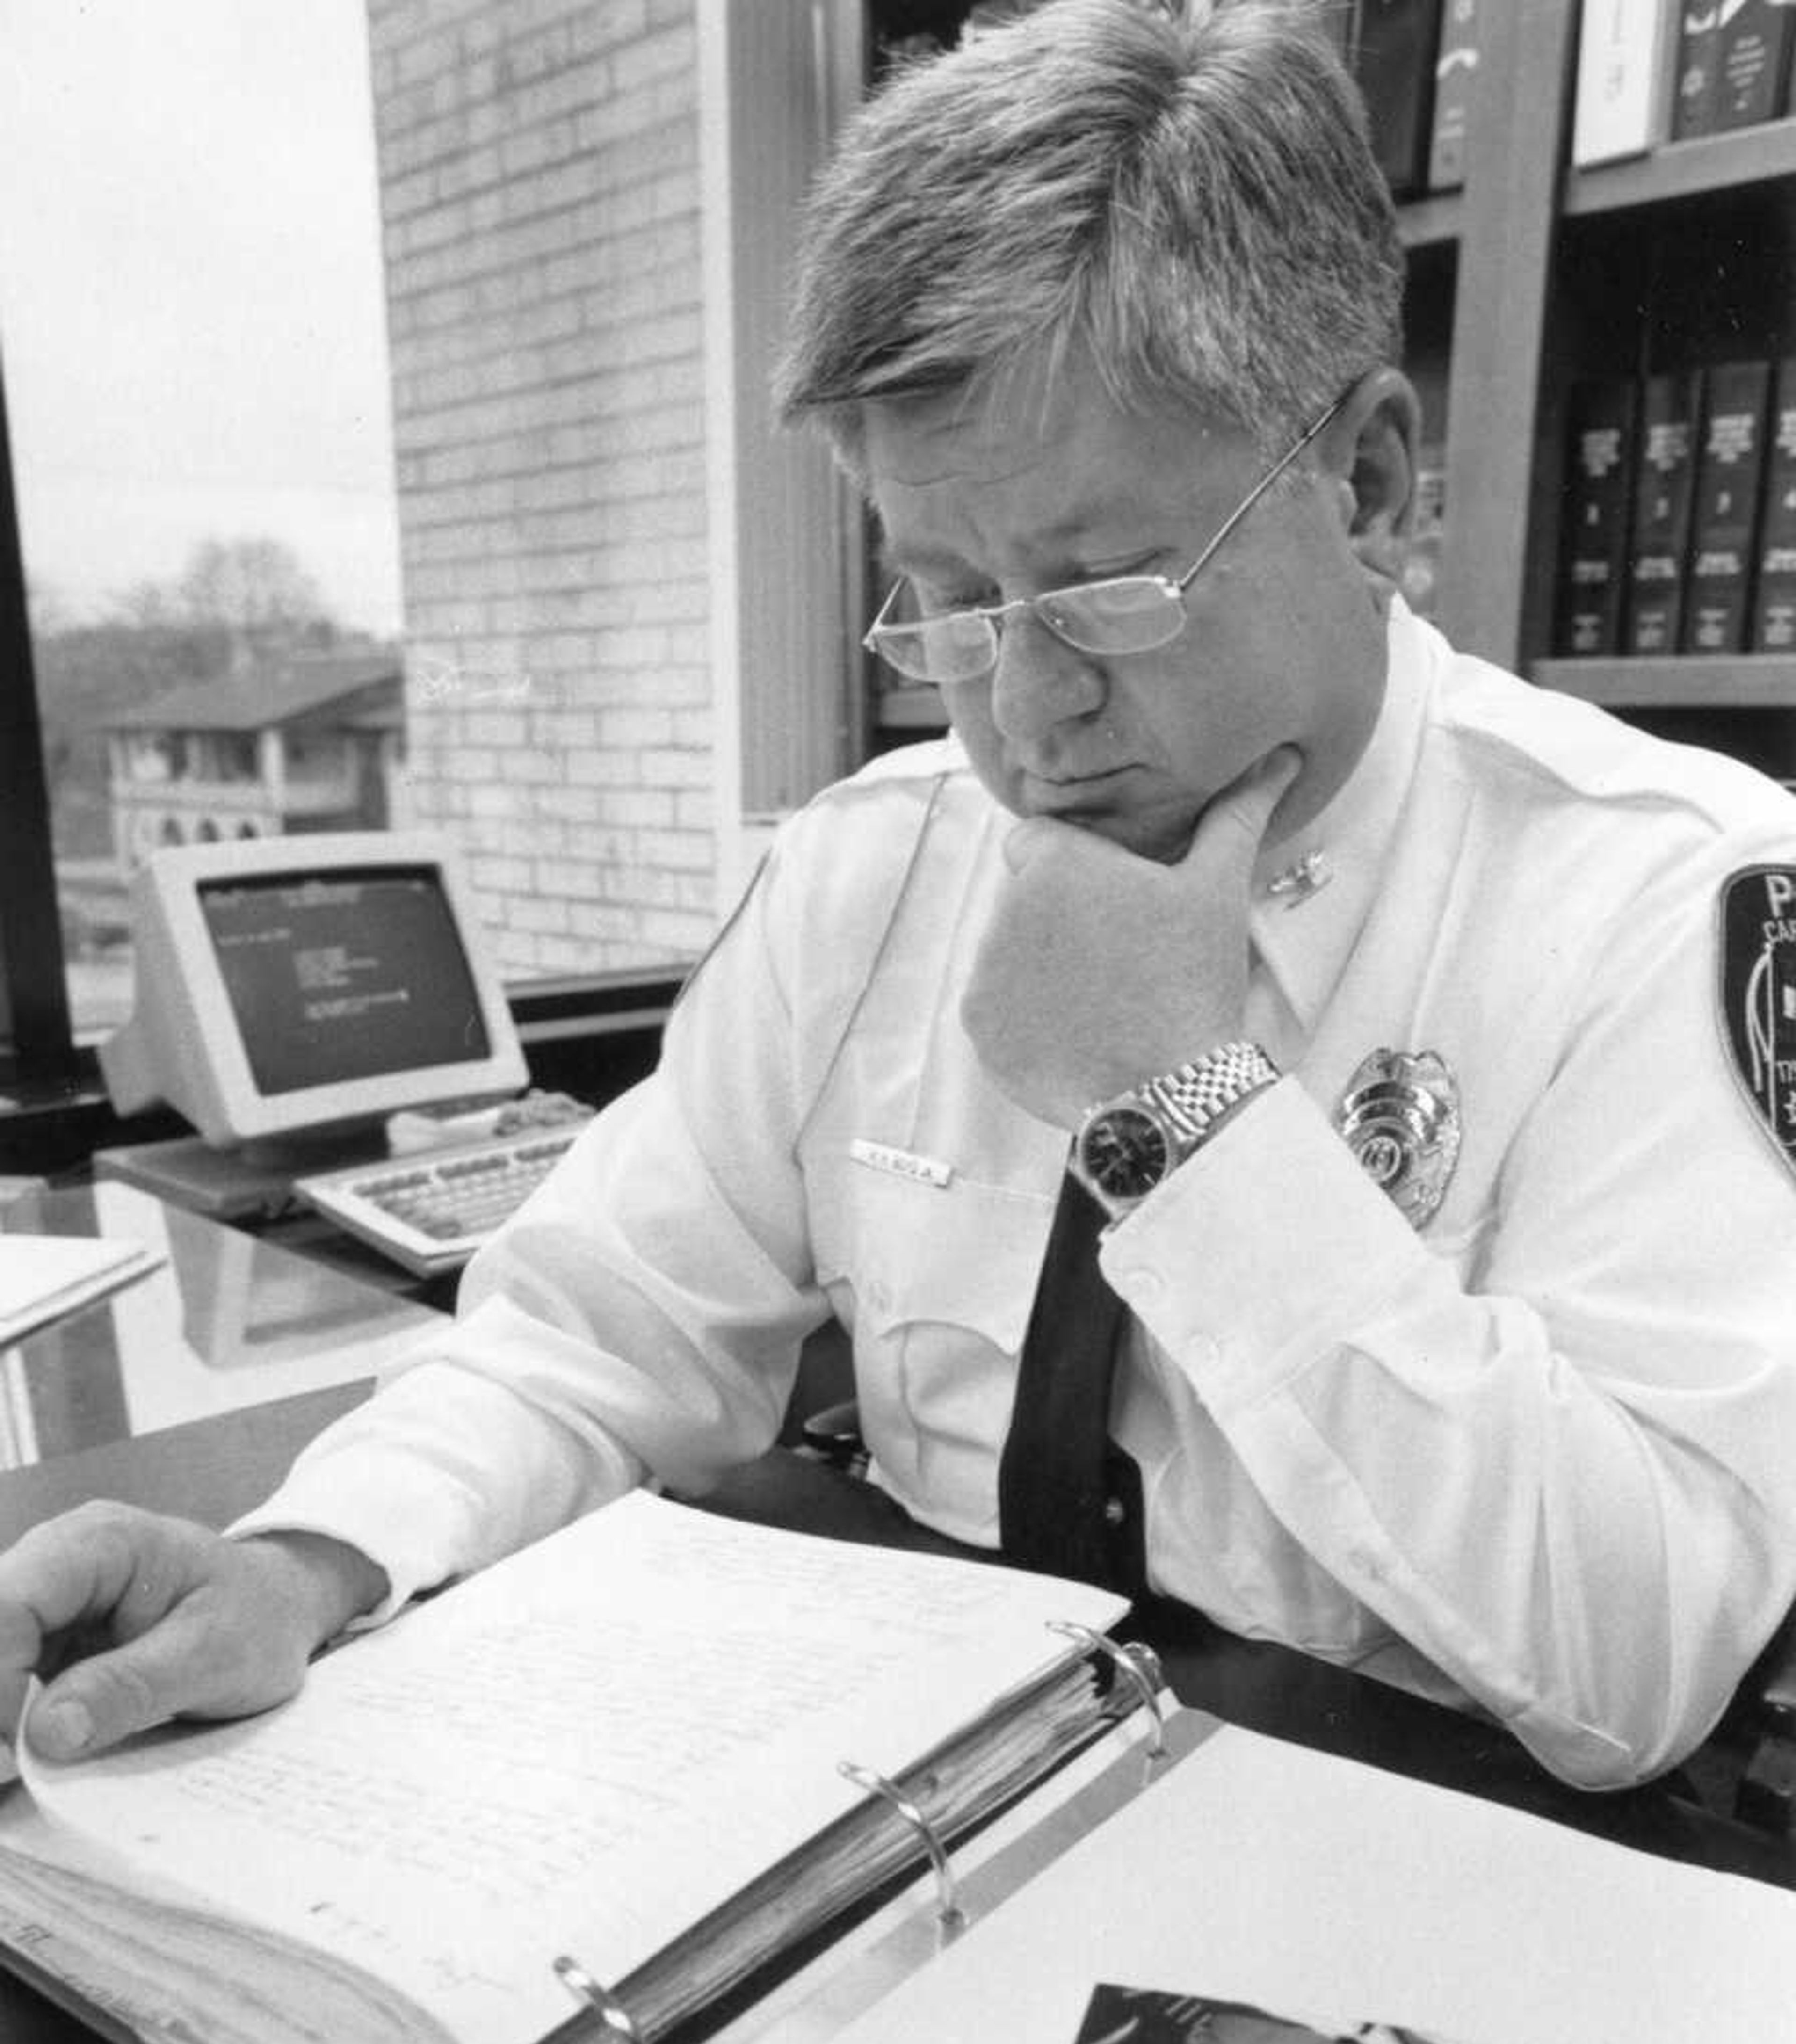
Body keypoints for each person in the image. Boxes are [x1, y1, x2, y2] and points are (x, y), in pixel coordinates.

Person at [5, 0, 1796, 1793]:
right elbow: (595, 1331)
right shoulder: (877, 865)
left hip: (1419, 1861)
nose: (1027, 723)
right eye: (949, 597)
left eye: (1105, 591)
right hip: (919, 1816)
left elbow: (1635, 1662)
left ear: (1372, 484)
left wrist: (1183, 1112)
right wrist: (307, 1563)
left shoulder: (1654, 895)